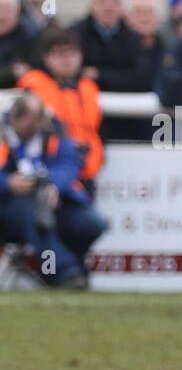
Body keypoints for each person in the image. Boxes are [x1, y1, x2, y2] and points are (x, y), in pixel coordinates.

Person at [0, 92, 107, 288]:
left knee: (92, 223)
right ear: (15, 118)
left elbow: (69, 163)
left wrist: (53, 184)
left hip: (51, 200)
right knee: (37, 217)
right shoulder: (3, 134)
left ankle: (68, 271)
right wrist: (8, 182)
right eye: (28, 123)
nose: (34, 127)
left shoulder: (53, 130)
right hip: (8, 206)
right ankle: (63, 272)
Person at [18, 31, 104, 194]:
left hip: (86, 167)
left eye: (72, 53)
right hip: (50, 167)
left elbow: (94, 128)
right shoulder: (34, 84)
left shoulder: (88, 87)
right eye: (59, 54)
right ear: (46, 58)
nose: (67, 60)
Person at [72, 0, 155, 92]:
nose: (108, 7)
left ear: (123, 7)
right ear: (91, 5)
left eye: (115, 1)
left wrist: (99, 75)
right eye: (102, 1)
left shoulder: (135, 38)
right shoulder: (74, 35)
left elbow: (141, 79)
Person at [0, 0, 39, 89]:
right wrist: (10, 72)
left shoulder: (30, 34)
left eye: (8, 10)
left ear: (17, 11)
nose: (2, 16)